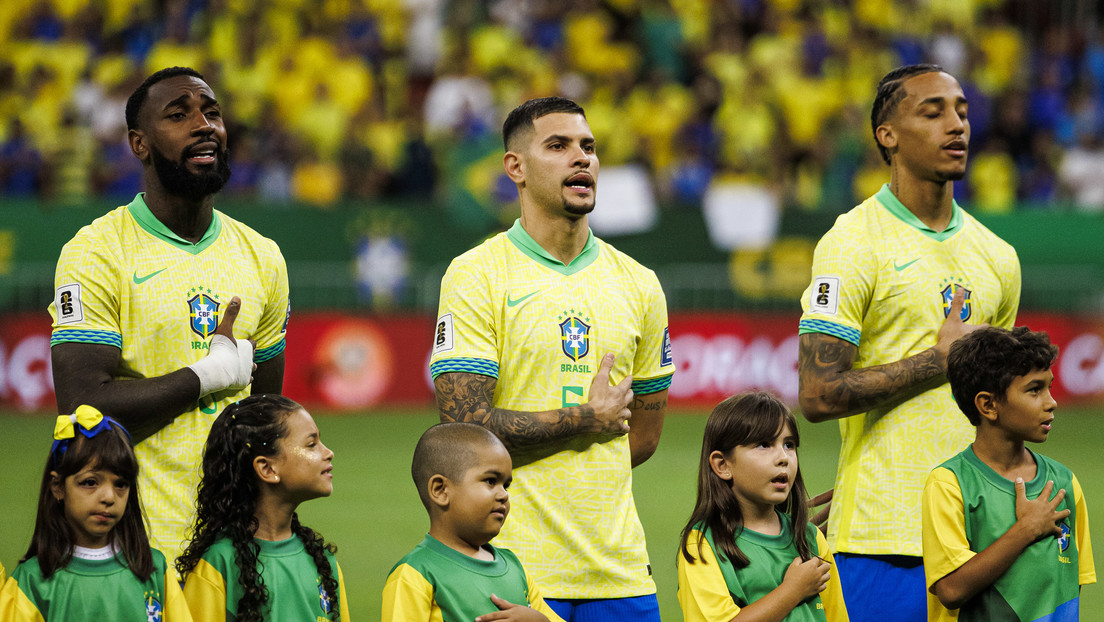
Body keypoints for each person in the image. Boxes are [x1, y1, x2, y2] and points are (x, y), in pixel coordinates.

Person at [429, 96, 675, 621]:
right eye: (558, 146)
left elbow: (643, 437)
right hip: (509, 571)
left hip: (620, 574)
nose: (581, 157)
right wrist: (585, 421)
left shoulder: (640, 284)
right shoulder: (476, 275)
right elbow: (463, 430)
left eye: (588, 146)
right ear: (515, 167)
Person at [797, 63, 1021, 622]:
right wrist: (938, 362)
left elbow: (1003, 408)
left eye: (962, 111)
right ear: (888, 135)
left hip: (981, 539)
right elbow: (818, 394)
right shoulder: (851, 242)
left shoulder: (998, 257)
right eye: (933, 112)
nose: (957, 124)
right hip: (884, 537)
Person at [48, 66, 290, 568]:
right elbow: (82, 405)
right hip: (135, 547)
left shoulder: (263, 256)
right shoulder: (96, 252)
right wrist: (206, 377)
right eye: (178, 116)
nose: (204, 125)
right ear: (139, 144)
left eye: (212, 113)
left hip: (237, 551)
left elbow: (267, 420)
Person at [923, 326, 1095, 620]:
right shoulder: (949, 484)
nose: (1051, 402)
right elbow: (951, 590)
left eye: (1049, 387)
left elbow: (1069, 587)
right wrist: (1027, 529)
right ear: (988, 405)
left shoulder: (1064, 483)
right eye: (1034, 389)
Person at [0, 406, 191, 621]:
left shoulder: (154, 568)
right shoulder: (31, 580)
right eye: (90, 482)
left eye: (121, 484)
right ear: (58, 487)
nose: (109, 497)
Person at [677, 392, 848, 622]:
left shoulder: (811, 539)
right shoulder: (703, 544)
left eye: (789, 445)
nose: (783, 457)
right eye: (763, 445)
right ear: (723, 465)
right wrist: (793, 590)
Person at [177, 394, 347, 621]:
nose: (328, 453)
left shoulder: (323, 561)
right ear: (267, 468)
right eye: (311, 444)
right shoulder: (219, 563)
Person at [382, 422, 564, 622]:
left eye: (506, 485)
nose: (504, 494)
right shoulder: (415, 574)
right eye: (491, 481)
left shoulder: (514, 567)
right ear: (440, 490)